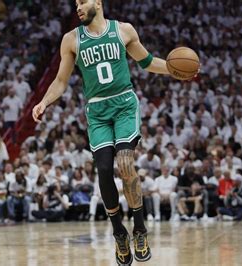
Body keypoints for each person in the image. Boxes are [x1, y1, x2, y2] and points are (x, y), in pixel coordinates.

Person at [32, 0, 193, 263]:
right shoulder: (71, 39)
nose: (78, 8)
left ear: (98, 2)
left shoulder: (123, 30)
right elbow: (61, 80)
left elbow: (148, 61)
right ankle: (119, 233)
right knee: (105, 170)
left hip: (124, 105)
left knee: (126, 161)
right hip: (97, 111)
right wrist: (43, 102)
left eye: (83, 2)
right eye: (75, 4)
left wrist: (174, 70)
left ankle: (139, 229)